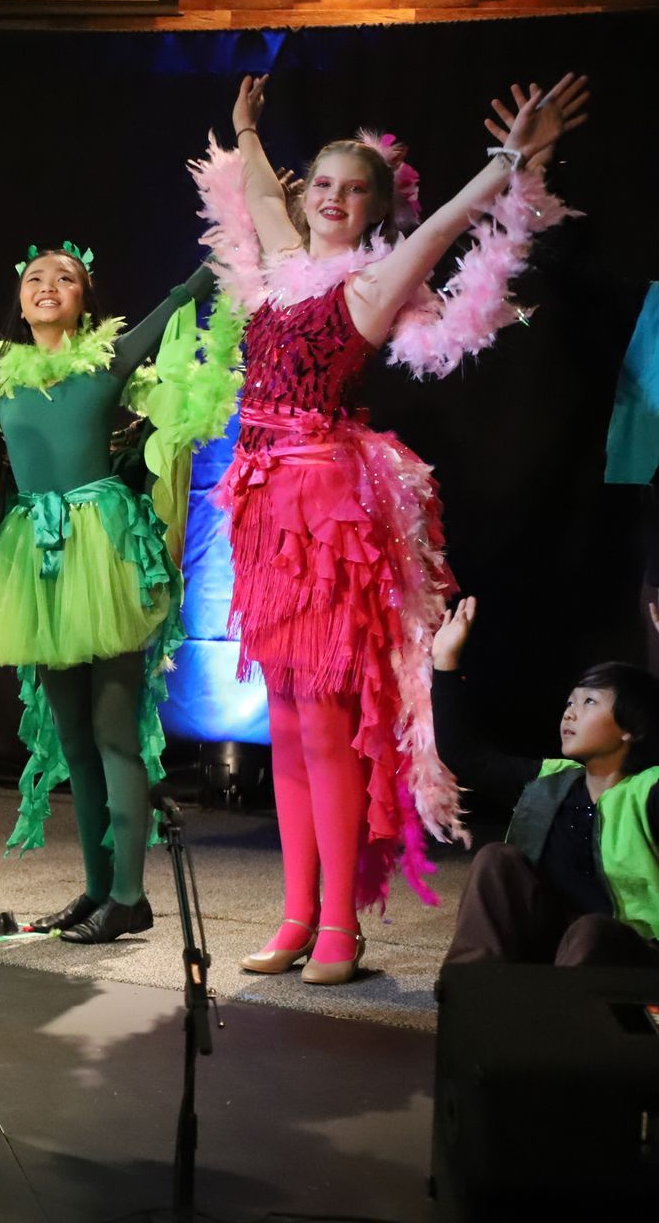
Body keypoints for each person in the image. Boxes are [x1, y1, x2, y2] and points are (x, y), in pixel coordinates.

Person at [196, 73, 589, 984]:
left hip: (324, 514)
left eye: (355, 188)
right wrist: (247, 133)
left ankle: (340, 924)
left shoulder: (371, 283)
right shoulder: (284, 269)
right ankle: (295, 915)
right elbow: (264, 201)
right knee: (285, 720)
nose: (333, 198)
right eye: (323, 184)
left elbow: (445, 225)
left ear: (377, 208)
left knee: (327, 724)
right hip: (263, 512)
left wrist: (509, 159)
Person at [0, 212, 241, 942]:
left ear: (85, 301)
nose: (48, 285)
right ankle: (98, 890)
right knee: (74, 738)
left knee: (114, 731)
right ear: (20, 298)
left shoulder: (111, 361)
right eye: (35, 277)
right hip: (39, 558)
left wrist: (241, 230)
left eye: (66, 277)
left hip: (106, 553)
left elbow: (184, 295)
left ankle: (129, 893)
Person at [432, 597, 659, 968]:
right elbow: (466, 755)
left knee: (590, 932)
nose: (570, 713)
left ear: (630, 728)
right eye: (570, 703)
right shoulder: (551, 781)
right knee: (496, 859)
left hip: (626, 957)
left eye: (589, 702)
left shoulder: (648, 791)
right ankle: (473, 987)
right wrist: (445, 662)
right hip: (552, 950)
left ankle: (563, 1003)